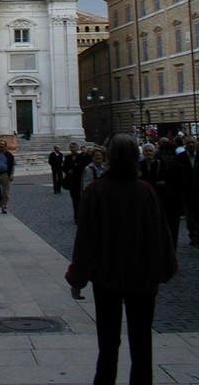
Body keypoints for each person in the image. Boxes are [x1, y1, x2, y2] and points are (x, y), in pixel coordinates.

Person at [65, 133, 177, 385]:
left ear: (109, 158)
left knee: (108, 344)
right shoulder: (146, 190)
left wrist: (77, 278)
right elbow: (162, 233)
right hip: (143, 278)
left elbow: (86, 241)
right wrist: (167, 268)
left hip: (108, 279)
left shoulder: (97, 191)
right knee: (142, 343)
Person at [62, 141, 87, 222]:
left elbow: (84, 167)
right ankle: (76, 216)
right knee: (74, 199)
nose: (73, 149)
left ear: (77, 148)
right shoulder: (67, 157)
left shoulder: (82, 157)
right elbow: (64, 167)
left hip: (80, 181)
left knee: (81, 199)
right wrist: (68, 171)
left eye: (74, 147)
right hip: (72, 182)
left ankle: (82, 215)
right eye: (71, 147)